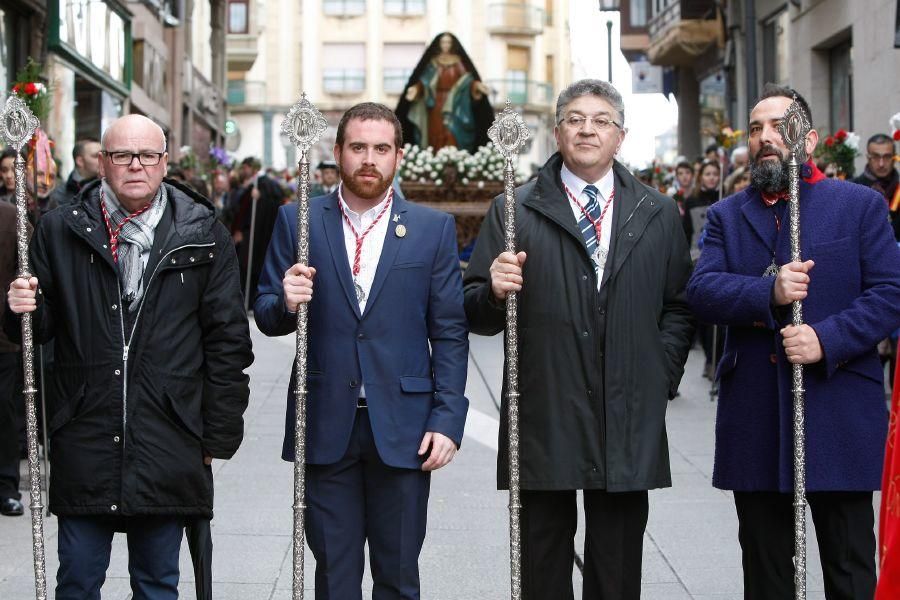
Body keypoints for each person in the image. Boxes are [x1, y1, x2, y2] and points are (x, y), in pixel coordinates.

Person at [463, 79, 695, 600]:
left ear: (620, 136)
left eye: (601, 120)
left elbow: (679, 305)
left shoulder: (656, 213)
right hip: (544, 408)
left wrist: (660, 375)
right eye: (575, 118)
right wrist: (495, 292)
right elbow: (473, 308)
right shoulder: (514, 210)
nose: (587, 129)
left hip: (627, 412)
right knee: (542, 564)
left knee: (616, 570)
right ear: (556, 131)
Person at [5, 114, 253, 599]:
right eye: (122, 155)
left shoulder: (203, 234)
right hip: (85, 432)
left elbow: (227, 341)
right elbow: (37, 329)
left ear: (165, 163)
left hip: (169, 433)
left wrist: (218, 432)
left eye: (147, 155)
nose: (134, 166)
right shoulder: (60, 230)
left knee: (157, 583)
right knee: (76, 581)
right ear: (103, 164)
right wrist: (17, 306)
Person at [686, 84, 900, 600]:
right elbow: (702, 291)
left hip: (838, 410)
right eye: (756, 128)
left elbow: (891, 293)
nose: (765, 138)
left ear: (809, 139)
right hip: (756, 415)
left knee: (848, 564)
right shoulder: (726, 215)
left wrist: (826, 339)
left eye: (778, 127)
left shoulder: (859, 206)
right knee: (766, 571)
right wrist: (769, 291)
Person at [255, 102, 468, 599]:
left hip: (406, 428)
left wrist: (448, 418)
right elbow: (265, 311)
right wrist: (286, 301)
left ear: (398, 156)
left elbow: (451, 333)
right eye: (357, 147)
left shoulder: (431, 229)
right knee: (334, 573)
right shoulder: (298, 221)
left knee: (397, 574)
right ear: (337, 153)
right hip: (326, 423)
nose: (368, 159)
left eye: (381, 148)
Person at [395, 32, 494, 153]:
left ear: (452, 44)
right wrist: (416, 89)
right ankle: (434, 158)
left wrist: (477, 86)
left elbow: (467, 81)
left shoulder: (458, 62)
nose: (445, 45)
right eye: (443, 42)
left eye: (448, 42)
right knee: (435, 131)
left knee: (452, 131)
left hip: (456, 104)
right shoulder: (433, 63)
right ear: (439, 44)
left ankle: (453, 159)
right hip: (435, 104)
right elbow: (424, 81)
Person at [0, 201, 25, 517]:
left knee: (4, 411)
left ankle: (6, 486)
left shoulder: (10, 217)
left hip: (3, 338)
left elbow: (29, 268)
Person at [231, 156, 282, 306]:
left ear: (252, 168)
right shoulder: (249, 186)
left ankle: (254, 299)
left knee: (256, 266)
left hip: (263, 235)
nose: (243, 170)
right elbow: (241, 211)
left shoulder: (266, 185)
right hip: (249, 235)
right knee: (246, 266)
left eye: (245, 167)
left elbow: (275, 204)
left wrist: (261, 198)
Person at [853, 133, 899, 240]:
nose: (881, 163)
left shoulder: (898, 189)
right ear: (868, 158)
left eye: (887, 157)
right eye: (876, 157)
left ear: (894, 158)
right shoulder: (853, 189)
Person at [50, 138, 101, 206]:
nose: (102, 159)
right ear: (80, 161)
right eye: (96, 156)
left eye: (103, 155)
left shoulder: (106, 188)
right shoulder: (59, 194)